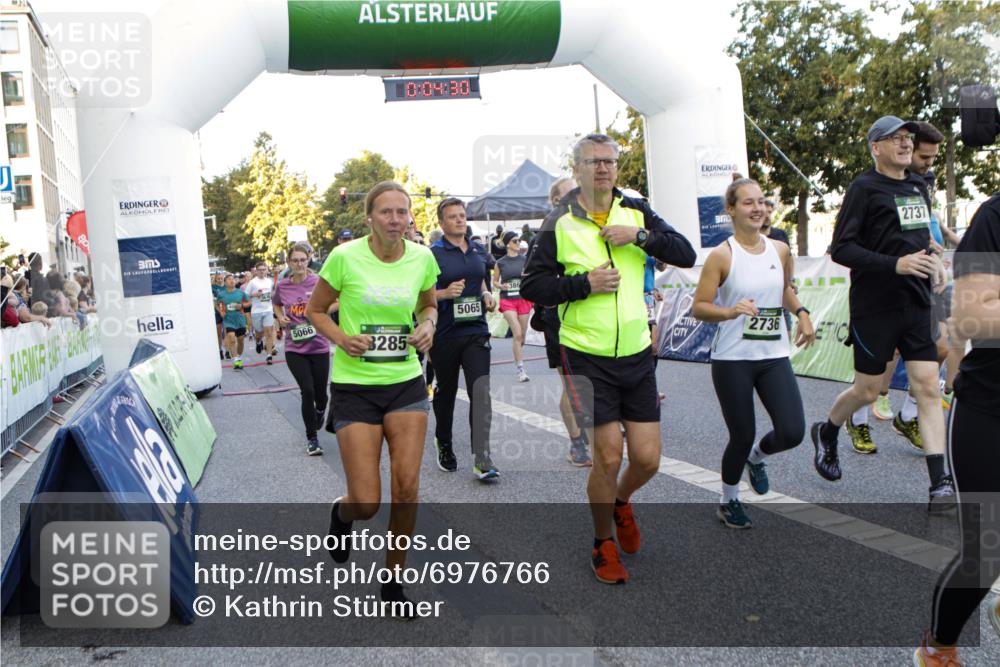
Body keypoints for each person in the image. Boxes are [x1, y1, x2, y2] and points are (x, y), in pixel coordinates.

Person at [521, 133, 696, 585]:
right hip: (585, 354)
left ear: (617, 168)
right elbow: (532, 286)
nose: (602, 168)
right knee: (607, 454)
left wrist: (640, 236)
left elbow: (685, 253)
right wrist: (584, 284)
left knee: (648, 458)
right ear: (576, 168)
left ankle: (620, 502)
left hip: (636, 351)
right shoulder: (557, 222)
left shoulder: (636, 209)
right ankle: (602, 543)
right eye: (592, 161)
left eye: (609, 161)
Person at [307, 181, 439, 613]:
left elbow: (427, 304)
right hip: (354, 388)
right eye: (386, 212)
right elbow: (315, 311)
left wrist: (428, 324)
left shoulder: (422, 257)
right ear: (369, 218)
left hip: (404, 382)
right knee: (367, 501)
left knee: (407, 488)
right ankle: (342, 514)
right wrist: (343, 339)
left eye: (402, 212)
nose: (396, 220)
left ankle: (394, 582)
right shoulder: (345, 258)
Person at [811, 115, 955, 509]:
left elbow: (918, 236)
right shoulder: (863, 188)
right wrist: (896, 265)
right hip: (876, 306)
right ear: (876, 148)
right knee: (869, 390)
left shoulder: (917, 185)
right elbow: (841, 248)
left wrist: (934, 259)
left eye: (908, 138)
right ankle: (828, 429)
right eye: (896, 139)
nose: (906, 144)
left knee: (927, 385)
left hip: (916, 302)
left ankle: (939, 482)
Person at [693, 177, 816, 528]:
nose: (758, 208)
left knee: (792, 431)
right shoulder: (722, 256)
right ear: (731, 210)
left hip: (773, 354)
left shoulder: (780, 249)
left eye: (762, 201)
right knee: (741, 433)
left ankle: (757, 459)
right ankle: (728, 500)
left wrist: (802, 313)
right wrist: (729, 312)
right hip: (733, 359)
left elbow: (785, 290)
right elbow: (700, 307)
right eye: (748, 203)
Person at [913, 192, 1000, 666]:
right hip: (992, 409)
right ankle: (938, 647)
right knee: (988, 548)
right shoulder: (995, 216)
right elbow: (969, 317)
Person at [429, 197, 500, 480]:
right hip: (445, 333)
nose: (460, 220)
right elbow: (419, 294)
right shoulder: (431, 254)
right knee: (446, 392)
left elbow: (480, 277)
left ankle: (482, 457)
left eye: (462, 215)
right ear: (442, 222)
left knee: (480, 391)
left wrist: (485, 293)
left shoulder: (477, 249)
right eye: (454, 216)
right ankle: (443, 442)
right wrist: (443, 294)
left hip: (475, 330)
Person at [533, 176, 592, 467]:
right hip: (557, 316)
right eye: (572, 192)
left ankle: (593, 431)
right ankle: (577, 443)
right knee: (571, 383)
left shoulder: (587, 226)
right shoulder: (549, 230)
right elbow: (536, 282)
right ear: (556, 201)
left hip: (588, 315)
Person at [273, 243, 331, 456]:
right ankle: (312, 439)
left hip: (318, 345)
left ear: (308, 261)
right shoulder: (283, 285)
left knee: (321, 394)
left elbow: (336, 302)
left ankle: (321, 409)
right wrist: (280, 317)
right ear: (289, 262)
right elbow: (277, 304)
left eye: (302, 260)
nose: (298, 264)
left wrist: (319, 312)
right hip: (294, 347)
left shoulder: (317, 282)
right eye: (295, 260)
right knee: (307, 390)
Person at [494, 231, 532, 382]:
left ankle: (518, 356)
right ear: (508, 243)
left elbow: (531, 275)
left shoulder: (525, 260)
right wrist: (500, 286)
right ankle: (520, 370)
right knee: (516, 333)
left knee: (521, 337)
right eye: (515, 241)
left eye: (519, 241)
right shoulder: (500, 262)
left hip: (523, 299)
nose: (518, 243)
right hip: (507, 300)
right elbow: (495, 281)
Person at [216, 274, 252, 369]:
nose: (232, 281)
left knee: (240, 340)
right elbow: (217, 304)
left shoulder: (241, 292)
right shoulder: (221, 294)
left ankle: (239, 357)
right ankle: (236, 360)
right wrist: (221, 311)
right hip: (228, 319)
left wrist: (242, 306)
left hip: (240, 319)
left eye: (233, 279)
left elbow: (249, 302)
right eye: (229, 279)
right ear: (225, 282)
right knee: (231, 338)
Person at [246, 261, 277, 365]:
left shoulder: (270, 281)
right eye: (260, 270)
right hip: (256, 311)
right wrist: (254, 294)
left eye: (264, 270)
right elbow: (245, 296)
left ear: (266, 270)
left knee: (268, 332)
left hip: (268, 310)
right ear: (256, 271)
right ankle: (258, 341)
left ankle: (269, 356)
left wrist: (273, 295)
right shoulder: (253, 282)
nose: (262, 272)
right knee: (259, 333)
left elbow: (273, 293)